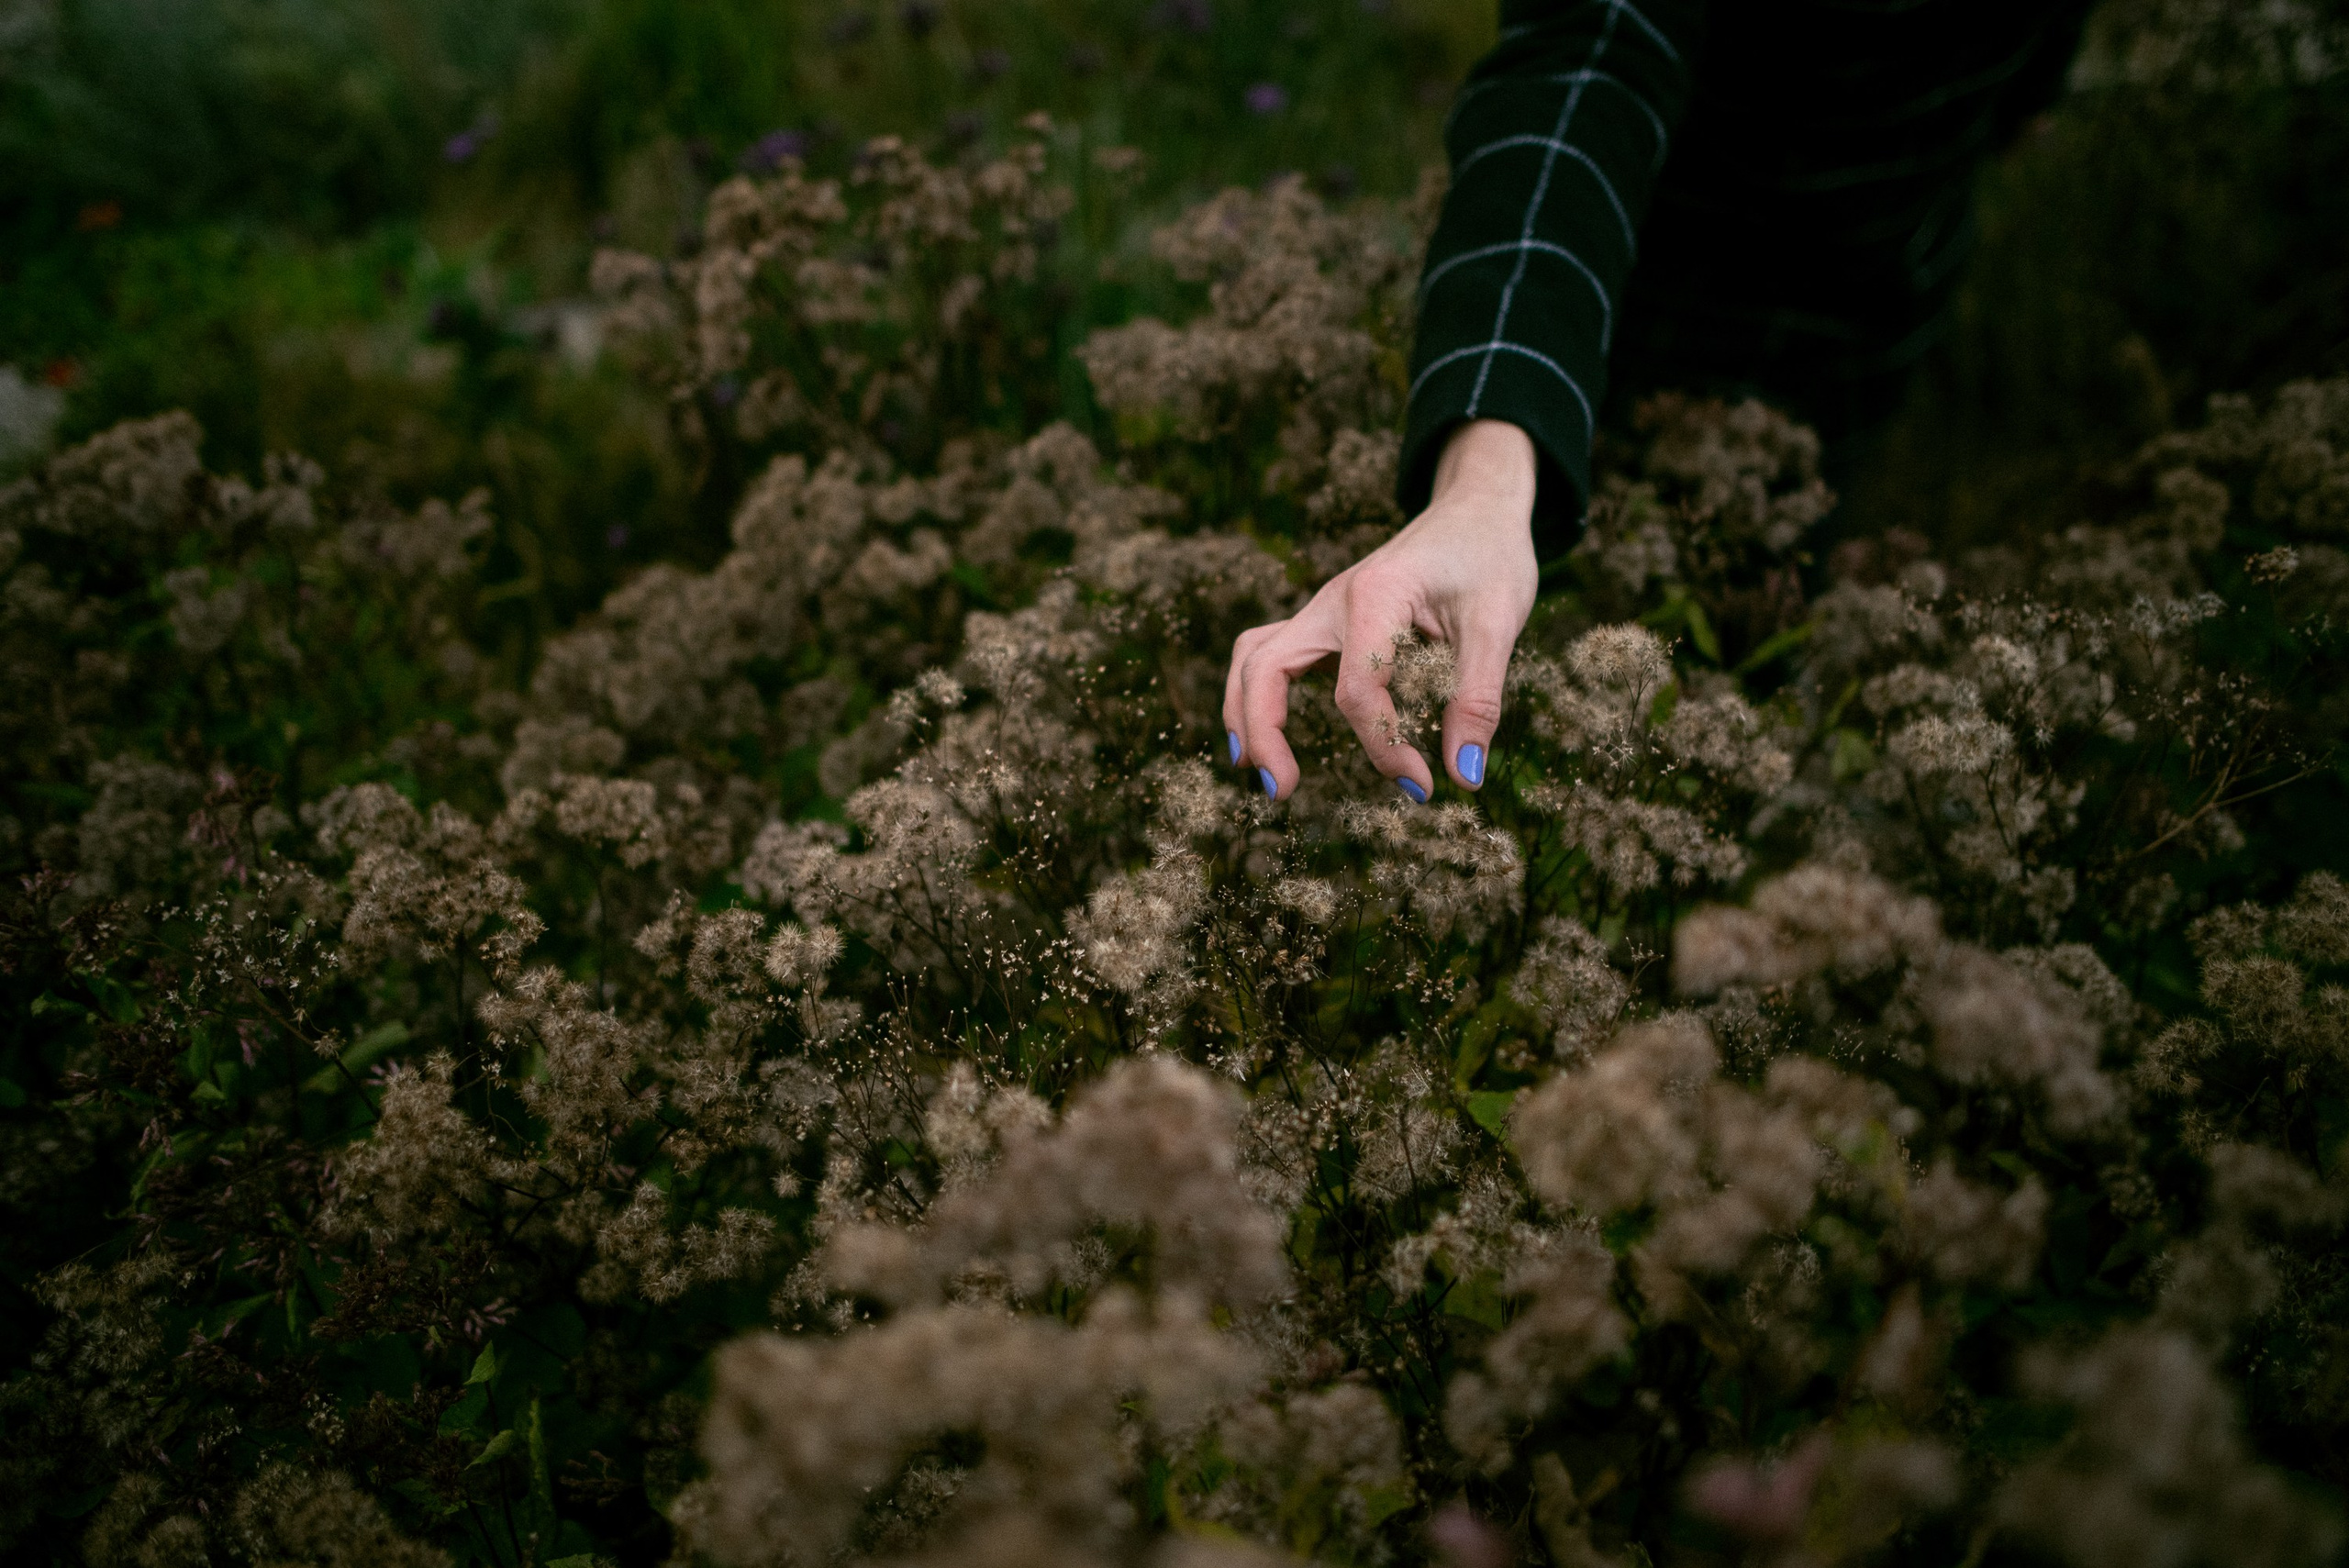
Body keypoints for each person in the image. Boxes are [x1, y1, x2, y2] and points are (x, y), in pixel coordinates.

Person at [1221, 0, 2096, 803]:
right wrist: (1484, 479)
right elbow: (1580, 76)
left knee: (1756, 644)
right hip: (1649, 326)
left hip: (1885, 305)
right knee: (1589, 667)